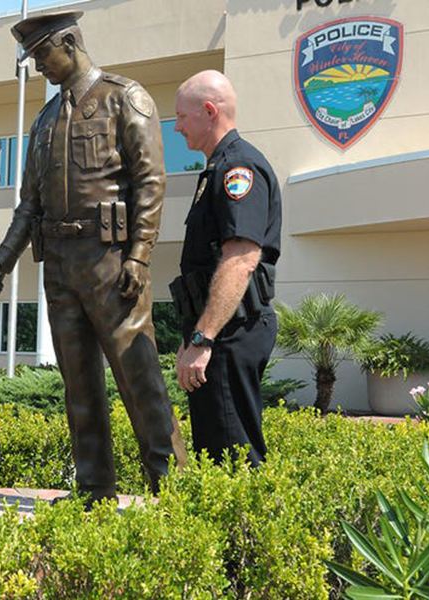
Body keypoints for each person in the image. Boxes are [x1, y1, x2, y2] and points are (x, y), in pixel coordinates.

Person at [0, 11, 186, 507]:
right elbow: (29, 204)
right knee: (78, 384)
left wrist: (139, 255)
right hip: (61, 265)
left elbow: (151, 183)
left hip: (111, 260)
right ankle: (95, 490)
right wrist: (0, 263)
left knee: (139, 379)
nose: (37, 68)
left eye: (41, 56)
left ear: (69, 42)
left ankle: (175, 490)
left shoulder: (123, 97)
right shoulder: (45, 121)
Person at [170, 70, 282, 466]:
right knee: (214, 455)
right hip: (221, 332)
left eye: (182, 117)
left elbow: (240, 260)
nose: (177, 126)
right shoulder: (216, 168)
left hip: (231, 334)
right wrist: (196, 335)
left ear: (209, 111)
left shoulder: (239, 169)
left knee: (233, 459)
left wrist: (203, 339)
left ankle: (244, 532)